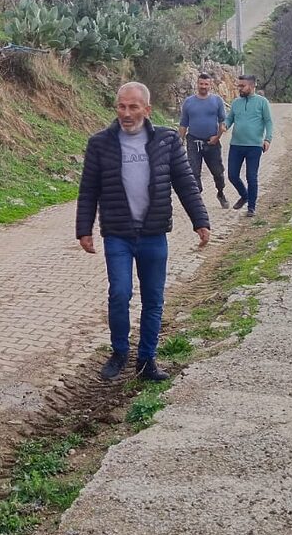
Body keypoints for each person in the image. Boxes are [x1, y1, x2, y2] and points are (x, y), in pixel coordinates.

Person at [76, 81, 211, 383]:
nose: (126, 112)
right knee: (119, 293)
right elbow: (88, 190)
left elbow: (185, 182)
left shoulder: (166, 140)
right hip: (118, 234)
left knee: (153, 299)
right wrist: (83, 229)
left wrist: (200, 220)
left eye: (133, 106)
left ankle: (147, 359)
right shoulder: (100, 143)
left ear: (147, 110)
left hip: (153, 234)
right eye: (121, 106)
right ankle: (119, 352)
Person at [224, 73, 274, 217]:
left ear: (252, 86)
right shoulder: (236, 103)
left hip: (254, 146)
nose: (239, 88)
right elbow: (230, 119)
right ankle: (244, 195)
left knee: (251, 177)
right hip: (236, 145)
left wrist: (268, 139)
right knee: (232, 175)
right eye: (239, 85)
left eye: (242, 86)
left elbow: (268, 122)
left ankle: (251, 207)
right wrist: (225, 126)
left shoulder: (262, 102)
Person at [178, 71, 229, 207]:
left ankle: (220, 192)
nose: (203, 86)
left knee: (218, 172)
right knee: (193, 172)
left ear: (210, 85)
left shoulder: (217, 101)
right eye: (201, 83)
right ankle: (197, 198)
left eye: (206, 84)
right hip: (193, 142)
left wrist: (217, 137)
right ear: (197, 84)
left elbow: (222, 122)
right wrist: (179, 142)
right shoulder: (188, 102)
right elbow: (183, 124)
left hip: (212, 142)